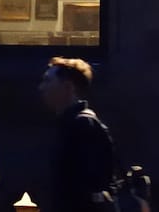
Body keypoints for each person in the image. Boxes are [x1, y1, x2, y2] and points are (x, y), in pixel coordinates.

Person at [38, 57, 116, 212]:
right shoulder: (71, 124)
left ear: (68, 87)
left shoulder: (82, 126)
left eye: (48, 81)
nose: (41, 88)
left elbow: (88, 187)